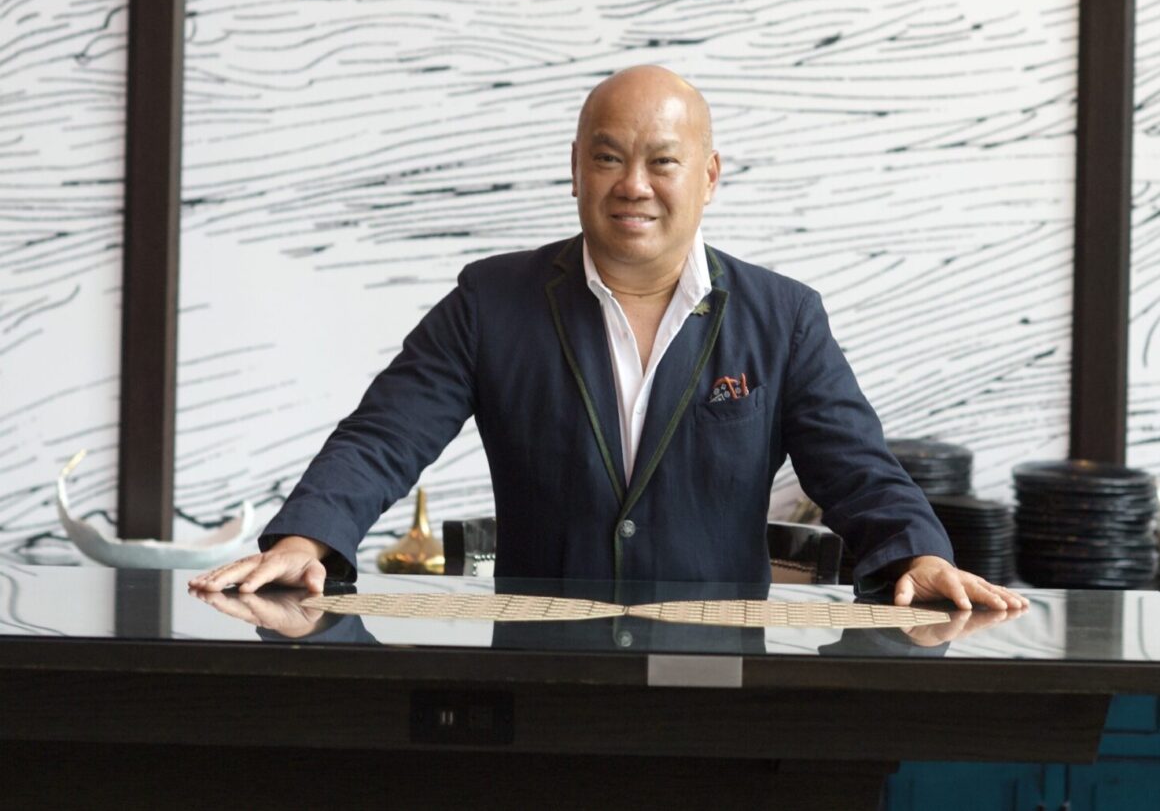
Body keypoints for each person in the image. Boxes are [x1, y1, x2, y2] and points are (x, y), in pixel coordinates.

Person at [190, 66, 1028, 613]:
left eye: (662, 162)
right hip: (539, 683)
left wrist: (917, 554)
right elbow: (383, 435)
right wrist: (306, 538)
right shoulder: (492, 302)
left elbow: (857, 468)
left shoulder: (783, 317)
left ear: (708, 177)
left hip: (719, 688)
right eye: (607, 158)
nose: (633, 185)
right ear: (575, 169)